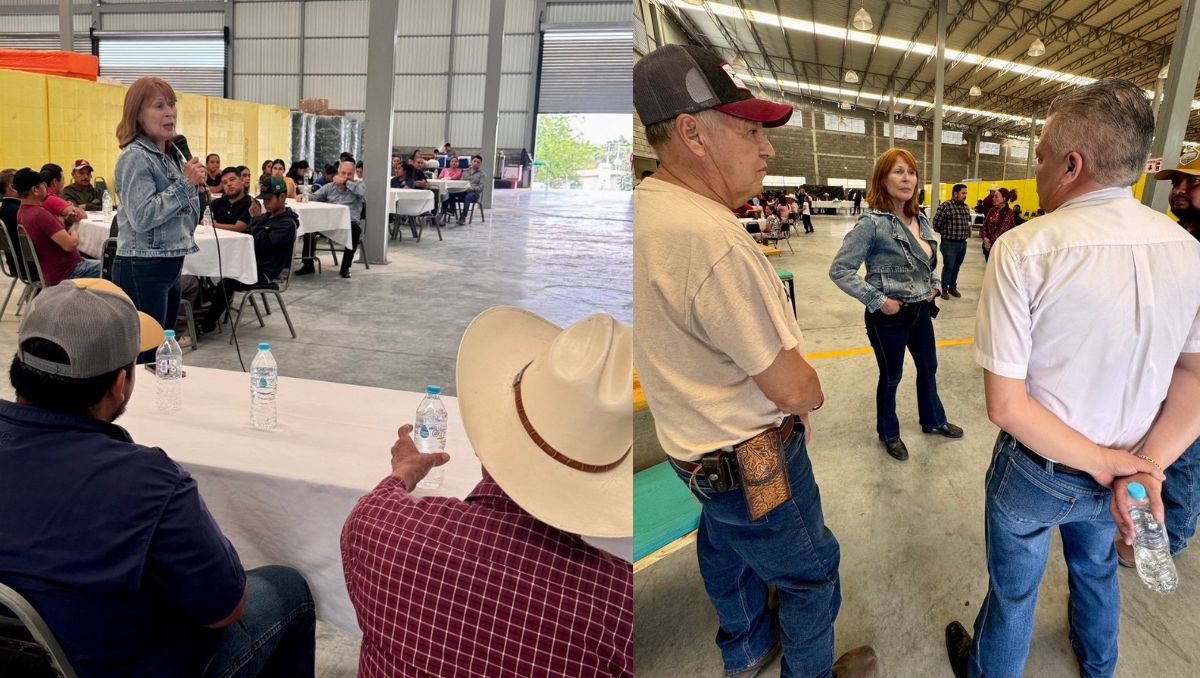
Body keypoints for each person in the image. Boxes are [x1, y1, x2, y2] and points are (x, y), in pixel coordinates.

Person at [632, 44, 877, 678]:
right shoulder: (712, 239)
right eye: (750, 130)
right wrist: (812, 396)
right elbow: (793, 387)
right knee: (810, 574)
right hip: (753, 457)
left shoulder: (645, 209)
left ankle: (744, 647)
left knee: (723, 545)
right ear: (692, 133)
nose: (767, 148)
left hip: (692, 450)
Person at [944, 78, 1200, 678]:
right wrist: (1143, 465)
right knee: (1096, 569)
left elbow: (1005, 405)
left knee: (1013, 593)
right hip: (1132, 464)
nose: (1036, 171)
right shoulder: (1187, 252)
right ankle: (1098, 666)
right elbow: (1193, 375)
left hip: (1042, 470)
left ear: (1071, 164)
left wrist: (1101, 462)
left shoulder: (1025, 249)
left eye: (1040, 158)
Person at [0, 277, 316, 677]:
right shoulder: (148, 482)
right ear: (120, 384)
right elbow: (226, 609)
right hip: (122, 665)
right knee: (286, 587)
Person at [341, 308, 633, 677]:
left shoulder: (376, 525)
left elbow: (379, 501)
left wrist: (403, 472)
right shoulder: (620, 606)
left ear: (484, 439)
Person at [829, 148, 962, 461]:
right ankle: (888, 432)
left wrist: (933, 286)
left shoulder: (921, 217)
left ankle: (932, 419)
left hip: (920, 312)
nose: (907, 178)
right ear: (882, 178)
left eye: (912, 172)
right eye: (898, 171)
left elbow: (929, 262)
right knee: (892, 376)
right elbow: (840, 270)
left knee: (928, 366)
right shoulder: (872, 224)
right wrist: (879, 301)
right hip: (888, 316)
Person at [1108, 150, 1200, 567]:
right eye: (1177, 182)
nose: (1179, 191)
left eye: (1192, 183)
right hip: (1174, 363)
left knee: (1184, 463)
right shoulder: (1182, 236)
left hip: (1193, 373)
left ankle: (1170, 537)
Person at [112, 77, 204, 363]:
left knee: (165, 348)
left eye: (172, 104)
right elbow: (142, 217)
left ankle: (162, 402)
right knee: (146, 353)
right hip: (143, 265)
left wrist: (195, 189)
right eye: (159, 105)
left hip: (170, 262)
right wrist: (186, 186)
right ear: (138, 114)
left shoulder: (171, 156)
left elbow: (184, 215)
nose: (170, 112)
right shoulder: (135, 158)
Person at [200, 177, 298, 332]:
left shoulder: (286, 224)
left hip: (265, 271)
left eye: (269, 199)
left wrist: (255, 219)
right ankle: (203, 310)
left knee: (225, 283)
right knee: (211, 270)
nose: (265, 203)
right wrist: (257, 221)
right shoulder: (267, 217)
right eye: (263, 199)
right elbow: (247, 235)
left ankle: (207, 324)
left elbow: (261, 245)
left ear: (283, 197)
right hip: (249, 263)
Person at [12, 168, 101, 285]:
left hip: (52, 271)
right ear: (35, 190)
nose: (46, 189)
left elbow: (52, 236)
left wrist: (68, 223)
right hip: (69, 272)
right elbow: (71, 245)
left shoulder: (21, 212)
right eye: (43, 185)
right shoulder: (40, 214)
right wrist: (74, 231)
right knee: (115, 266)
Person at [309, 159, 365, 279]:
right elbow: (314, 197)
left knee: (356, 231)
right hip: (329, 222)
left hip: (349, 223)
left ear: (354, 174)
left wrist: (345, 183)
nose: (346, 176)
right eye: (343, 173)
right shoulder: (329, 187)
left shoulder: (359, 185)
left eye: (349, 174)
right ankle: (307, 264)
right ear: (338, 173)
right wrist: (303, 196)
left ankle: (345, 267)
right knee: (310, 225)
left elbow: (361, 192)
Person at [932, 183, 971, 300]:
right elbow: (936, 224)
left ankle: (952, 287)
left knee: (956, 267)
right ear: (955, 193)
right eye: (963, 193)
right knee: (948, 267)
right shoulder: (946, 206)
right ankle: (944, 288)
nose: (965, 196)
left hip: (962, 243)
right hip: (949, 243)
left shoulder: (966, 207)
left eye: (966, 193)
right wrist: (946, 234)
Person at [210, 166, 259, 232]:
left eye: (232, 179)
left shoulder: (251, 203)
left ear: (241, 180)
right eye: (225, 182)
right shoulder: (216, 203)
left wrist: (213, 225)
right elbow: (204, 221)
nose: (229, 184)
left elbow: (238, 228)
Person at [979, 187, 1015, 261]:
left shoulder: (1009, 213)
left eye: (996, 197)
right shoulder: (992, 210)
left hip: (1000, 248)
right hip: (987, 246)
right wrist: (985, 238)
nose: (993, 198)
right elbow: (985, 226)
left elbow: (1002, 230)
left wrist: (989, 242)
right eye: (993, 196)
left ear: (1004, 199)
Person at [458, 154, 486, 225]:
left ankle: (463, 217)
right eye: (475, 161)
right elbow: (460, 182)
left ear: (480, 164)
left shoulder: (482, 174)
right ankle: (448, 211)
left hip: (475, 193)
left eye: (478, 162)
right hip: (464, 190)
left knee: (467, 197)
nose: (476, 163)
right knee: (451, 193)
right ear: (471, 162)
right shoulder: (465, 172)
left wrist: (472, 189)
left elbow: (481, 187)